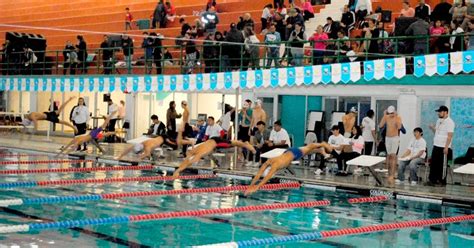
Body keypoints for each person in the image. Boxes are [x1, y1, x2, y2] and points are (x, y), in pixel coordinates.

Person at [245, 143, 324, 195]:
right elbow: (259, 174)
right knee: (307, 150)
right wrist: (250, 186)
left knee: (308, 149)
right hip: (289, 151)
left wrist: (256, 187)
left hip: (294, 154)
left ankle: (321, 146)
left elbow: (266, 178)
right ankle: (319, 149)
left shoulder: (274, 165)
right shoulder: (269, 161)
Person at [173, 136, 256, 178]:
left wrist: (178, 171)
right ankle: (245, 144)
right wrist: (178, 170)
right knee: (232, 143)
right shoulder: (196, 151)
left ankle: (246, 144)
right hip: (212, 140)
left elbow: (188, 162)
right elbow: (187, 162)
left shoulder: (198, 154)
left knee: (232, 144)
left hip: (216, 143)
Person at [427, 106, 455, 186]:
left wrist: (446, 147)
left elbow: (450, 135)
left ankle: (441, 181)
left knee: (442, 165)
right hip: (436, 145)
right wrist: (432, 128)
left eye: (440, 112)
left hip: (444, 147)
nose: (438, 113)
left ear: (445, 112)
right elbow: (437, 132)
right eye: (438, 112)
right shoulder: (439, 120)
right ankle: (432, 180)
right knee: (434, 163)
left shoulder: (450, 122)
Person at [379, 105, 402, 185]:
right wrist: (384, 115)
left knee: (393, 156)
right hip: (388, 138)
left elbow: (399, 127)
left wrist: (396, 117)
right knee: (389, 156)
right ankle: (389, 174)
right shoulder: (386, 117)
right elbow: (380, 125)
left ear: (394, 112)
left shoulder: (398, 117)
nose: (391, 115)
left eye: (392, 113)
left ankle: (392, 174)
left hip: (395, 138)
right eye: (390, 113)